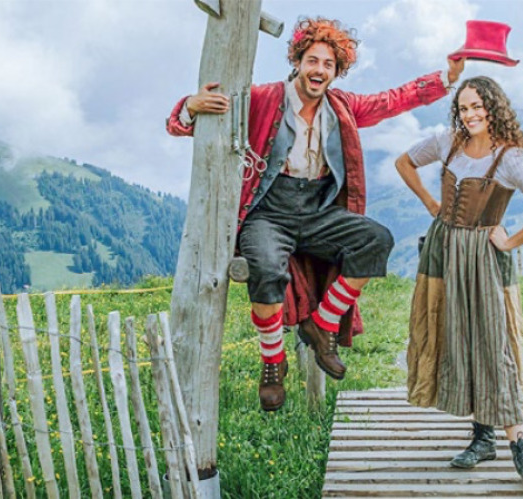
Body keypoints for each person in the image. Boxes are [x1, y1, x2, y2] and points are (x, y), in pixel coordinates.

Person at [167, 17, 464, 411]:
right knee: (267, 270)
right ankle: (273, 363)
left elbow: (393, 100)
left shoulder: (341, 107)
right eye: (313, 60)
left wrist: (444, 79)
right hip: (268, 212)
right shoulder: (262, 98)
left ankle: (321, 324)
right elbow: (185, 126)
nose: (319, 70)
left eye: (328, 64)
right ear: (298, 60)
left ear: (337, 71)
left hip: (317, 211)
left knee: (376, 240)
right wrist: (190, 106)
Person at [396, 76, 523, 485]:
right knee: (457, 337)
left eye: (477, 106)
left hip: (484, 258)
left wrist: (510, 242)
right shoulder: (446, 142)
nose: (469, 115)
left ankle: (519, 446)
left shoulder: (511, 158)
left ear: (493, 107)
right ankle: (482, 437)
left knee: (493, 343)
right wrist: (431, 203)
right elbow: (404, 162)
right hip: (445, 251)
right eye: (464, 107)